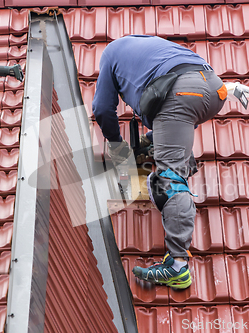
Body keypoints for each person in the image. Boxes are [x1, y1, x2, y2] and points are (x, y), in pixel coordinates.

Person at [92, 35, 228, 289]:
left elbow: (101, 109)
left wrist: (118, 147)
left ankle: (177, 267)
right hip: (213, 87)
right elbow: (174, 109)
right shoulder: (148, 47)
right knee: (175, 122)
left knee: (170, 179)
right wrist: (152, 140)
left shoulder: (110, 54)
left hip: (181, 92)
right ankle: (178, 159)